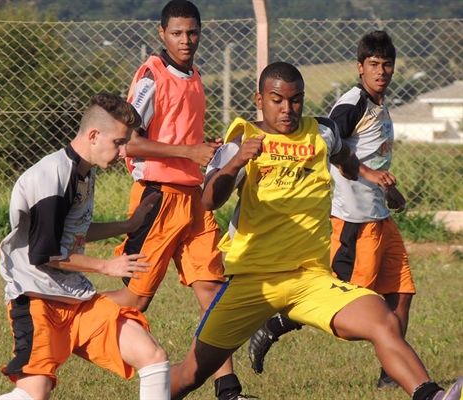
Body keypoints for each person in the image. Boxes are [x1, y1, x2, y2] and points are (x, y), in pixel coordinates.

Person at [168, 62, 462, 400]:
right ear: (259, 99)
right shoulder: (243, 139)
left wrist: (377, 182)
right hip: (254, 281)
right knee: (192, 373)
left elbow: (346, 161)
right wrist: (236, 163)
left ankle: (433, 396)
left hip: (310, 279)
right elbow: (208, 200)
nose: (287, 109)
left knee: (384, 321)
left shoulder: (323, 132)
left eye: (296, 100)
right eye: (277, 100)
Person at [248, 30, 414, 390]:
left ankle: (392, 373)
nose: (381, 71)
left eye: (387, 65)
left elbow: (374, 154)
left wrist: (391, 191)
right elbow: (332, 147)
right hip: (354, 222)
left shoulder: (379, 104)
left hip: (380, 218)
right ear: (360, 67)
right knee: (343, 301)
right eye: (373, 65)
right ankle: (275, 324)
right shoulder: (351, 104)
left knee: (402, 293)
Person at [101, 2, 246, 399]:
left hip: (195, 201)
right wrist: (188, 153)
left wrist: (205, 150)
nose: (185, 40)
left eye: (192, 33)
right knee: (135, 299)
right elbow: (128, 141)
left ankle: (227, 388)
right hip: (158, 200)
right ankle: (63, 312)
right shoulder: (151, 75)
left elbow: (184, 137)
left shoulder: (195, 74)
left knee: (213, 292)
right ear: (162, 34)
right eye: (178, 33)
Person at [0, 93, 170, 400]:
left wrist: (128, 226)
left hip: (77, 299)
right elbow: (44, 253)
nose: (123, 151)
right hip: (38, 301)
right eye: (118, 142)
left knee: (152, 356)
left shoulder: (84, 173)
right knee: (35, 393)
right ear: (93, 135)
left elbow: (73, 233)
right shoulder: (52, 176)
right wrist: (106, 266)